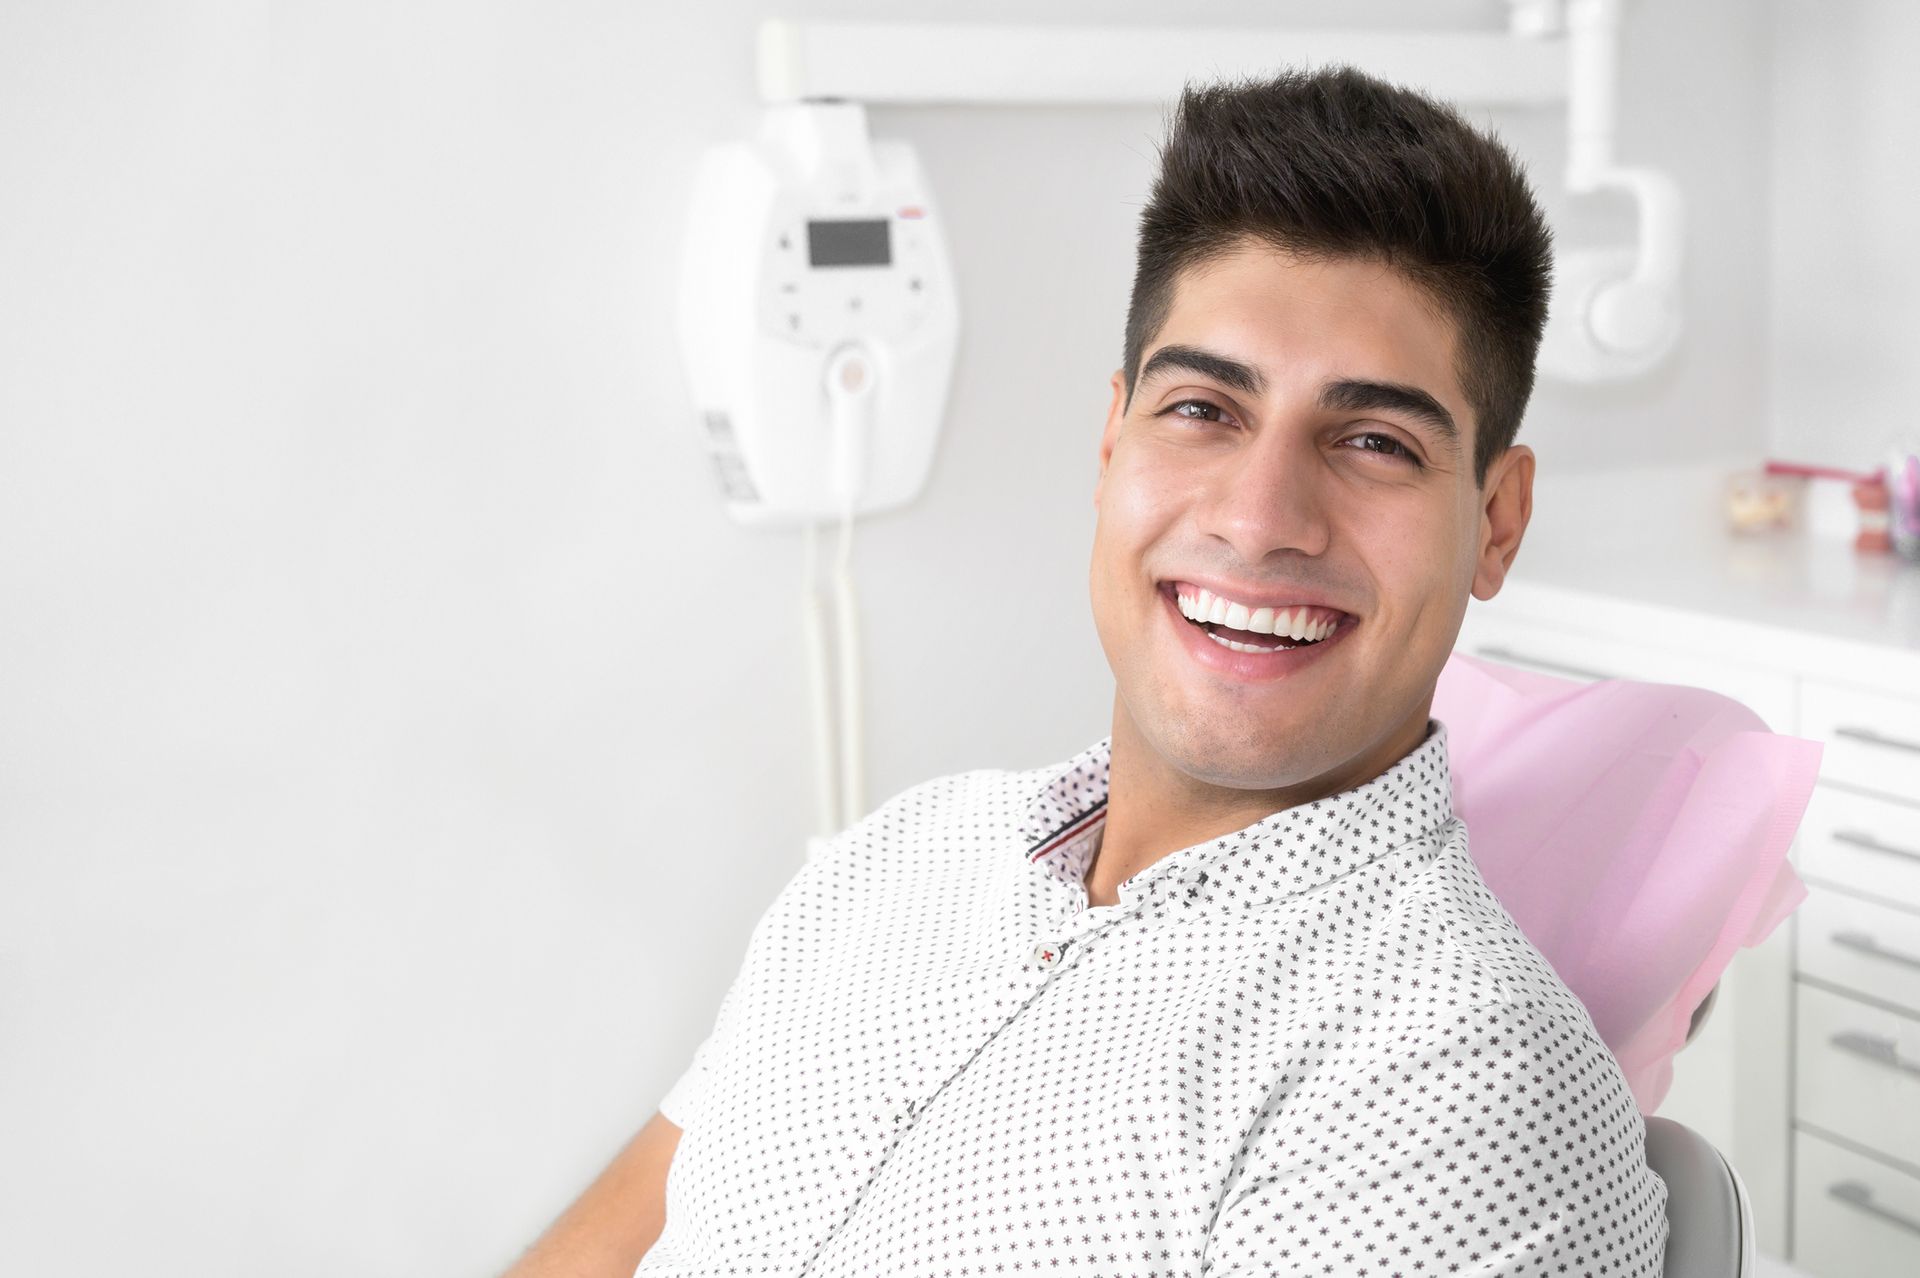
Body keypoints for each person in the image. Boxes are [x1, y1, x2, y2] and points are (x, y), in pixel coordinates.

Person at [505, 65, 1670, 1278]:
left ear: (1496, 520)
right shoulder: (893, 863)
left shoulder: (1453, 1085)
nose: (1262, 517)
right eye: (1204, 411)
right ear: (1112, 442)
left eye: (1373, 441)